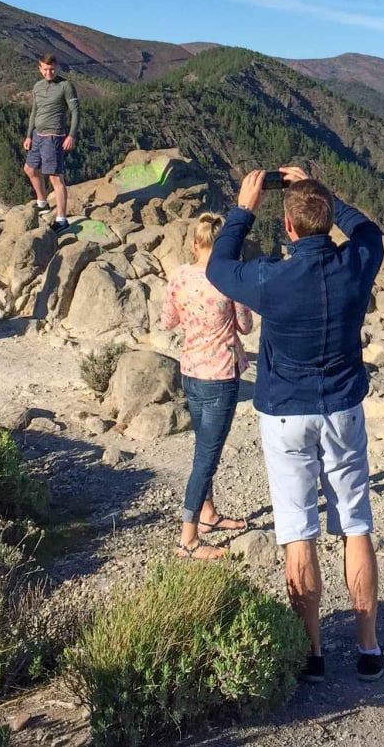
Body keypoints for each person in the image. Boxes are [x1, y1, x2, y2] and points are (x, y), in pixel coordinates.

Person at [205, 166, 384, 683]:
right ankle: (369, 649)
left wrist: (243, 210)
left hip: (286, 411)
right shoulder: (357, 263)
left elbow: (219, 266)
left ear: (287, 227)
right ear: (328, 222)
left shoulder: (271, 278)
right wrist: (323, 194)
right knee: (355, 524)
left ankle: (312, 654)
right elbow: (368, 231)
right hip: (343, 408)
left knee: (297, 530)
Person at [158, 213, 256, 561]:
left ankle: (208, 514)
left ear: (195, 244)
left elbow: (167, 321)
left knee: (202, 446)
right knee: (206, 459)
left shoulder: (179, 276)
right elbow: (245, 325)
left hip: (190, 371)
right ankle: (188, 539)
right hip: (220, 375)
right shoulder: (228, 278)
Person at [22, 53, 79, 230]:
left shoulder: (65, 86)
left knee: (55, 178)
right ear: (40, 69)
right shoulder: (37, 86)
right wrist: (29, 135)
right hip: (37, 135)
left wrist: (71, 135)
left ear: (57, 67)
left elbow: (75, 111)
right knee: (30, 169)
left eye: (52, 69)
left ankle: (62, 220)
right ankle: (42, 203)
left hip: (54, 137)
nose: (49, 72)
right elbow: (35, 111)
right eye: (45, 69)